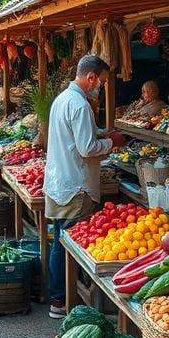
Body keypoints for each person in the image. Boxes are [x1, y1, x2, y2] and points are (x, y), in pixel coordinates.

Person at [45, 54, 127, 319]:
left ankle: (60, 296)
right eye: (101, 81)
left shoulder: (62, 100)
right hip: (76, 187)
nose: (100, 86)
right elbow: (87, 148)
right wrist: (112, 142)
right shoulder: (80, 105)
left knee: (60, 240)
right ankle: (65, 300)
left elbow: (78, 136)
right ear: (91, 77)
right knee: (73, 247)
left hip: (59, 181)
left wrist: (102, 132)